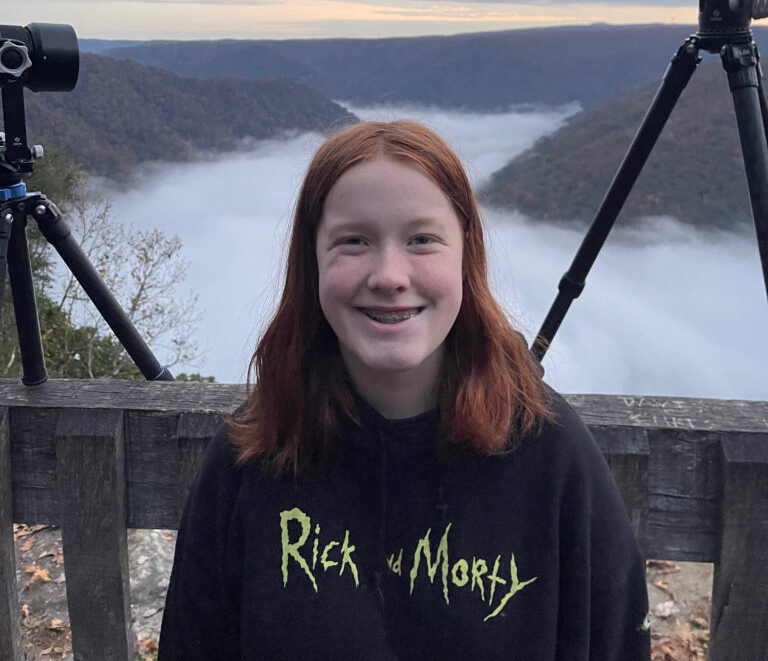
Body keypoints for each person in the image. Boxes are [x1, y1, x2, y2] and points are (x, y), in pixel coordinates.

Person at [158, 120, 651, 661]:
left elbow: (615, 641)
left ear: (467, 255)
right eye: (353, 241)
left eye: (422, 240)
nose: (389, 275)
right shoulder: (252, 456)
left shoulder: (551, 454)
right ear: (311, 260)